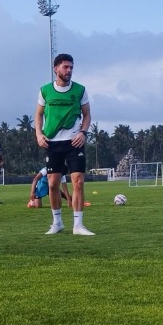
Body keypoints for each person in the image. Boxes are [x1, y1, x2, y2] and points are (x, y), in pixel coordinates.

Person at [34, 53, 94, 236]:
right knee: (53, 185)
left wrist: (83, 133)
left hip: (74, 142)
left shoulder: (80, 90)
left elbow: (87, 115)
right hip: (52, 143)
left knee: (78, 181)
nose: (69, 71)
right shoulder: (45, 90)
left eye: (71, 67)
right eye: (66, 67)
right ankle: (57, 222)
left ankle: (78, 225)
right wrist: (38, 133)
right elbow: (38, 114)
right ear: (56, 69)